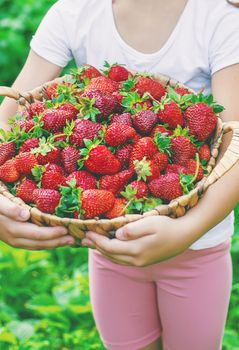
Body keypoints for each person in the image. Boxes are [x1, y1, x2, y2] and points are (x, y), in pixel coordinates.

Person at [0, 0, 239, 349]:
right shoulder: (74, 13)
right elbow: (9, 116)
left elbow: (238, 142)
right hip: (110, 248)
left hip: (197, 248)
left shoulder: (220, 19)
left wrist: (186, 229)